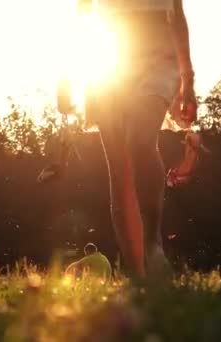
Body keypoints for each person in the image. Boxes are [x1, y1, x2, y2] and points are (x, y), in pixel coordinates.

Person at [59, 0, 198, 279]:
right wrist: (66, 77)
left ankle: (152, 244)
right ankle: (137, 273)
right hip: (109, 58)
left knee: (140, 141)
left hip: (158, 55)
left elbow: (177, 12)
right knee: (119, 168)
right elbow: (83, 13)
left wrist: (188, 79)